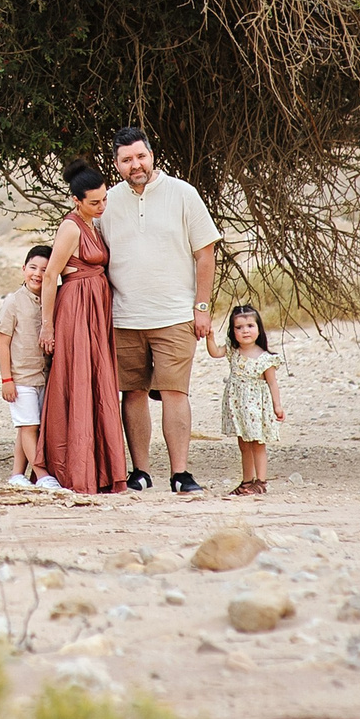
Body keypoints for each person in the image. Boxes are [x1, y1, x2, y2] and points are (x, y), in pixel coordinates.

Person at [103, 127, 222, 494]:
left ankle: (180, 474)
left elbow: (205, 254)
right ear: (117, 164)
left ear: (152, 155)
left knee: (174, 392)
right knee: (132, 393)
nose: (135, 164)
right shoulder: (107, 202)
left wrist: (202, 307)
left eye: (141, 156)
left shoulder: (183, 193)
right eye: (127, 159)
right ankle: (139, 471)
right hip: (124, 317)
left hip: (175, 315)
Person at [37, 162, 129, 495]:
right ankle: (75, 469)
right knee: (76, 379)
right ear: (76, 200)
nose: (101, 206)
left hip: (95, 310)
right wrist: (47, 326)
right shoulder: (71, 227)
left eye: (104, 199)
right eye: (94, 202)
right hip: (76, 309)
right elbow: (51, 276)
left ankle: (100, 469)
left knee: (96, 381)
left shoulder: (93, 224)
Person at [0, 246, 61, 490]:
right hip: (21, 377)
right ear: (23, 269)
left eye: (44, 270)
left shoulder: (51, 300)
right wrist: (6, 380)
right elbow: (3, 342)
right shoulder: (13, 302)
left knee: (27, 427)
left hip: (44, 375)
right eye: (33, 268)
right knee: (29, 426)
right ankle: (42, 475)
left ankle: (16, 474)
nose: (37, 274)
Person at [205, 301, 285, 495]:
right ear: (233, 331)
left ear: (259, 328)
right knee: (243, 444)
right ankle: (247, 481)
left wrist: (277, 406)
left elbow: (272, 383)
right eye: (239, 327)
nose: (245, 331)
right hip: (238, 407)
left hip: (256, 408)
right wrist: (210, 337)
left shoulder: (265, 358)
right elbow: (215, 352)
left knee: (257, 443)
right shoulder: (233, 351)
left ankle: (261, 482)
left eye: (250, 326)